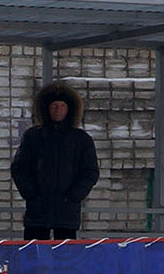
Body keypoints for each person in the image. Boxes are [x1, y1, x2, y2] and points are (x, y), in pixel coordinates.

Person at [10, 81, 100, 240]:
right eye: (54, 106)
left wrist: (73, 197)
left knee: (65, 260)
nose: (58, 110)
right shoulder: (33, 137)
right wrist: (31, 195)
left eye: (62, 106)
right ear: (46, 109)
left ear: (70, 109)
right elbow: (19, 168)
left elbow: (90, 172)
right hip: (37, 212)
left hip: (67, 214)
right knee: (33, 257)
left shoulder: (81, 140)